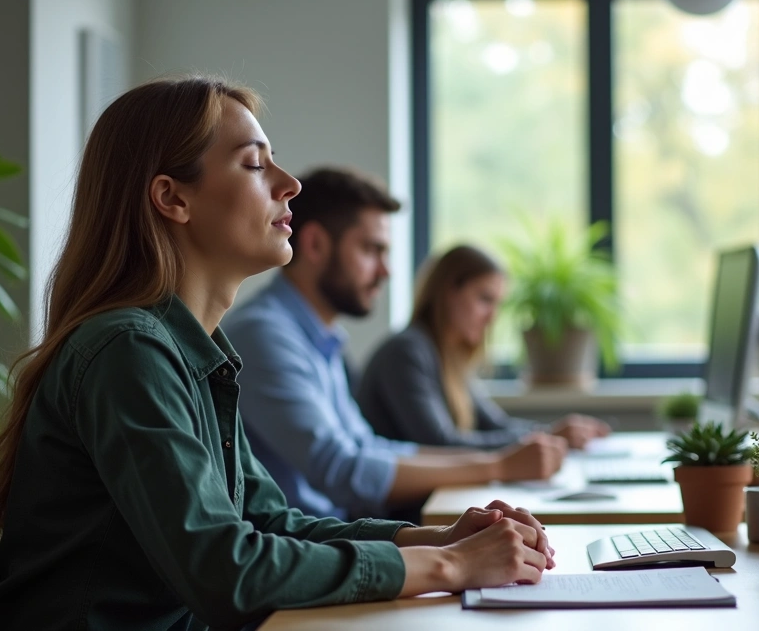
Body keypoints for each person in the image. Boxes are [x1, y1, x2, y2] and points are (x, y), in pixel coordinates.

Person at [0, 76, 556, 631]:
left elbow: (270, 522)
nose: (289, 183)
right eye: (255, 164)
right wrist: (451, 568)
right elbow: (224, 571)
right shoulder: (129, 350)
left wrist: (440, 538)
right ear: (172, 198)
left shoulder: (193, 351)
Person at [221, 168, 568, 522]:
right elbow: (339, 470)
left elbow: (370, 448)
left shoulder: (320, 340)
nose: (385, 271)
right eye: (372, 250)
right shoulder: (263, 334)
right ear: (314, 245)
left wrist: (500, 463)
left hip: (339, 533)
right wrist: (498, 466)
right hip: (303, 548)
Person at [358, 244, 612, 450]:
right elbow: (441, 445)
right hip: (400, 512)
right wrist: (548, 439)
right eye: (485, 299)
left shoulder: (447, 356)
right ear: (448, 292)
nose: (492, 317)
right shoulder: (406, 352)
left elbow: (494, 424)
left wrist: (552, 435)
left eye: (497, 304)